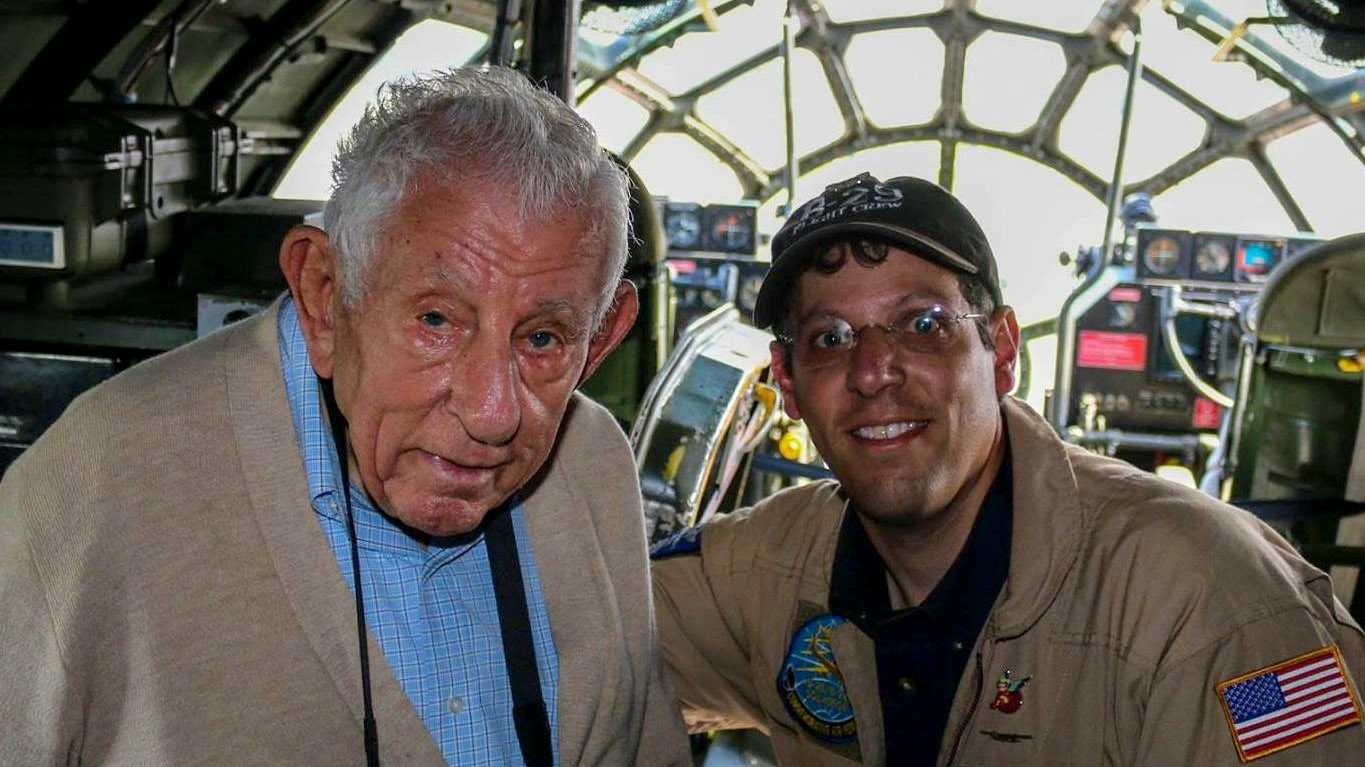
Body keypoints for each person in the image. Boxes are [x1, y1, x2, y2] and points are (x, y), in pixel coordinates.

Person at [0, 67, 689, 767]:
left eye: (542, 337)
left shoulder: (594, 459)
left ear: (601, 337)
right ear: (325, 295)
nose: (491, 414)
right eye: (435, 319)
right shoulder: (102, 476)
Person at [651, 172, 1365, 765]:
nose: (872, 372)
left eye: (923, 324)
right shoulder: (764, 568)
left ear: (1000, 351)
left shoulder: (1218, 600)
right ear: (789, 381)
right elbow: (576, 640)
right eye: (829, 337)